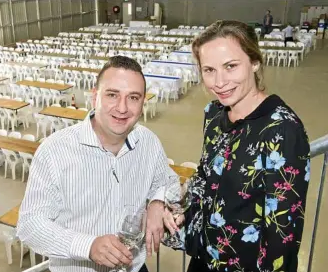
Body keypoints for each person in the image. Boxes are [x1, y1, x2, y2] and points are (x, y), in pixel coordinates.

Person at [162, 20, 310, 272]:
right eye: (209, 70)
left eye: (230, 66)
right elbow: (207, 175)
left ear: (254, 62)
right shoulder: (213, 113)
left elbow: (282, 235)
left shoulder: (282, 130)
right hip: (204, 259)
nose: (219, 82)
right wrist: (184, 208)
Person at [17, 56, 179, 272]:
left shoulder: (148, 142)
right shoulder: (55, 151)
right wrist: (88, 246)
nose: (122, 108)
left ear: (142, 104)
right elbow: (30, 225)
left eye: (133, 97)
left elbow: (169, 182)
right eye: (112, 95)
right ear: (95, 97)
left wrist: (157, 202)